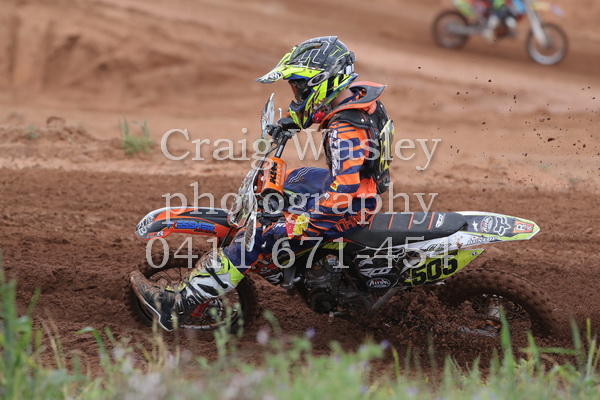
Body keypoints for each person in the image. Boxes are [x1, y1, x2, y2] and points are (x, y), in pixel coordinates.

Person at [130, 36, 393, 331]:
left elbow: (342, 191)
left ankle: (178, 306)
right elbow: (319, 114)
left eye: (300, 88)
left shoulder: (345, 129)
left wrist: (297, 223)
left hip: (348, 207)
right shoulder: (360, 99)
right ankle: (297, 259)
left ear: (322, 82)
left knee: (259, 235)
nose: (297, 94)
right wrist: (290, 122)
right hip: (361, 190)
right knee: (295, 179)